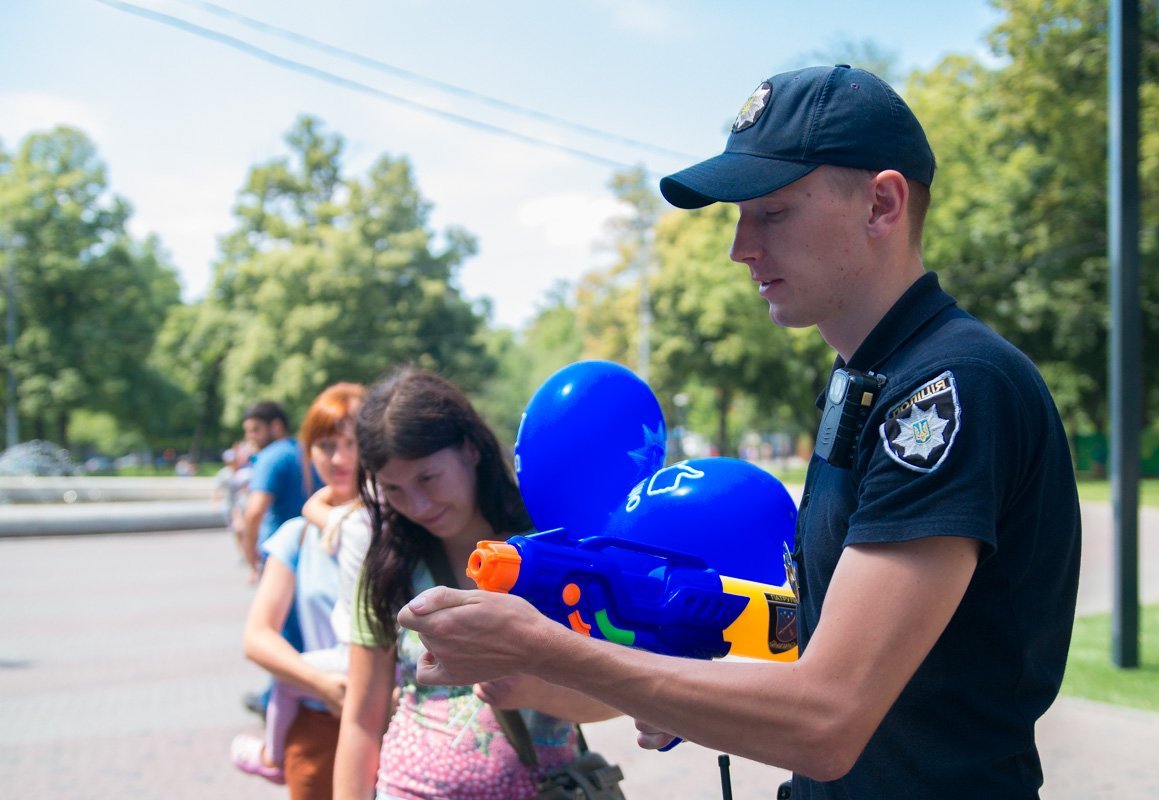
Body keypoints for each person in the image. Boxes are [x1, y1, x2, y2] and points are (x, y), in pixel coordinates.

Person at [396, 65, 1082, 799]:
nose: (740, 246)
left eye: (772, 212)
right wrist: (681, 675)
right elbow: (820, 641)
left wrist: (545, 649)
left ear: (882, 204)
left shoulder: (947, 390)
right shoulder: (869, 378)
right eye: (739, 215)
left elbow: (827, 718)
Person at [333, 367, 618, 800]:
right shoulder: (387, 565)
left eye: (427, 478)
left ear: (470, 449)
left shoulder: (552, 551)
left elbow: (622, 693)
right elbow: (360, 720)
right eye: (393, 489)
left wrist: (536, 691)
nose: (418, 505)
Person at [232, 382, 366, 799]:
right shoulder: (298, 536)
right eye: (326, 446)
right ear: (309, 451)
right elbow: (257, 638)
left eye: (353, 443)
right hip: (320, 724)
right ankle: (271, 755)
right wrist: (323, 685)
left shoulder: (406, 528)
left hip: (400, 722)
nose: (340, 458)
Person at [241, 400, 322, 578]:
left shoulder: (271, 456)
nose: (249, 437)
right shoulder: (309, 451)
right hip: (314, 549)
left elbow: (254, 511)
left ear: (276, 426)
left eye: (255, 430)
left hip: (280, 555)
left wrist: (249, 553)